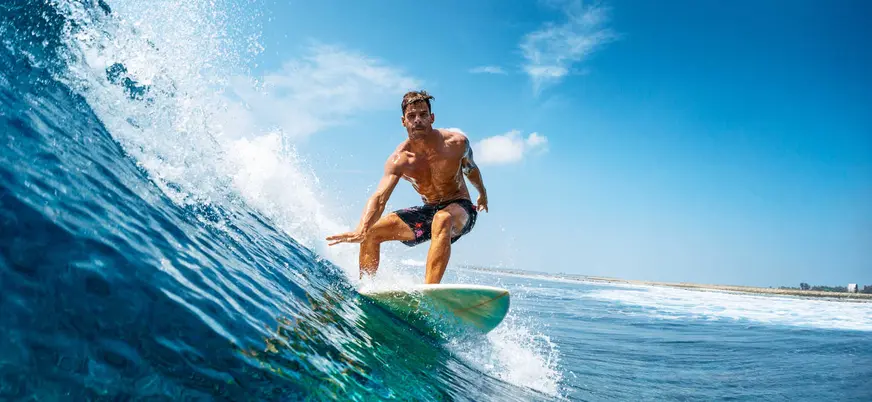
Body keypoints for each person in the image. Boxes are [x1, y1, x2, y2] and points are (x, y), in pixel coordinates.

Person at [326, 90, 488, 284]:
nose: (417, 120)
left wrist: (482, 193)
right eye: (412, 116)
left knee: (442, 218)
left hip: (460, 209)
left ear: (432, 118)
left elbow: (471, 169)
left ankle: (430, 291)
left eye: (423, 114)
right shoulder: (400, 160)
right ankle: (366, 287)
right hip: (429, 211)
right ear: (404, 121)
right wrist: (361, 227)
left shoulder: (456, 144)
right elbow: (380, 198)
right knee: (371, 232)